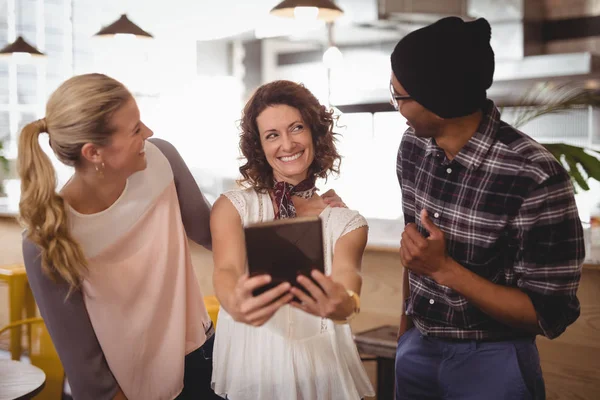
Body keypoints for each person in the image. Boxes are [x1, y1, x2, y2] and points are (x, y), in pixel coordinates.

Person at [391, 17, 584, 400]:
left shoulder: (534, 175)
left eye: (400, 97)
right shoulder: (413, 148)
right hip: (417, 349)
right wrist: (405, 335)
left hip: (495, 362)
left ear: (440, 103)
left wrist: (445, 269)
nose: (396, 105)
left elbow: (550, 313)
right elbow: (415, 254)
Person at [18, 73, 222, 400]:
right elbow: (86, 370)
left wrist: (286, 206)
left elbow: (214, 232)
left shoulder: (162, 159)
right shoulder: (46, 239)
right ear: (94, 153)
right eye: (135, 129)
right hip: (124, 391)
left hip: (199, 356)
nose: (149, 133)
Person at [210, 80, 375, 400]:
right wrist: (236, 304)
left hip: (319, 368)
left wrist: (342, 303)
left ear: (315, 133)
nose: (287, 144)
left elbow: (348, 282)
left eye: (296, 128)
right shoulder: (233, 207)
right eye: (272, 135)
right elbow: (225, 271)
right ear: (259, 146)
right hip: (252, 365)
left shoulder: (345, 221)